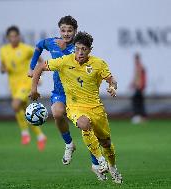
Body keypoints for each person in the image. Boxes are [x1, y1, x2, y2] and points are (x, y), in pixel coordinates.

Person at [30, 31, 123, 183]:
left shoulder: (98, 63)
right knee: (83, 124)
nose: (80, 52)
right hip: (75, 107)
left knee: (106, 143)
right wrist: (34, 89)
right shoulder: (65, 61)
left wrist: (113, 87)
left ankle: (113, 167)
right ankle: (100, 161)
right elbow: (40, 66)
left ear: (89, 50)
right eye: (77, 48)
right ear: (74, 47)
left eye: (84, 49)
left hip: (96, 108)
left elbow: (112, 80)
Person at [29, 15, 103, 180]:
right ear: (59, 30)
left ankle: (95, 164)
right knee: (56, 113)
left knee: (85, 127)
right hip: (60, 93)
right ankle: (69, 144)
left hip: (78, 95)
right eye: (63, 30)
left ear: (75, 31)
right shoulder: (53, 43)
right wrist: (31, 67)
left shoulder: (78, 48)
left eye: (70, 30)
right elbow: (39, 46)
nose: (66, 33)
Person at [0, 26, 47, 151]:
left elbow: (41, 61)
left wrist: (37, 75)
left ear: (19, 37)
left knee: (15, 105)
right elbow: (2, 67)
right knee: (25, 111)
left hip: (26, 83)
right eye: (11, 36)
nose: (13, 38)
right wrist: (3, 69)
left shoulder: (26, 49)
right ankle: (40, 136)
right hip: (13, 85)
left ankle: (24, 133)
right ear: (8, 38)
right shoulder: (4, 50)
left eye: (15, 36)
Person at [131, 53, 147, 124]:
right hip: (138, 87)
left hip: (139, 87)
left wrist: (140, 85)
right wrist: (132, 84)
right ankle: (141, 117)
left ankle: (139, 116)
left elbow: (140, 78)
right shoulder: (138, 67)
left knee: (137, 101)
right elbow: (136, 77)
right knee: (138, 101)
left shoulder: (140, 67)